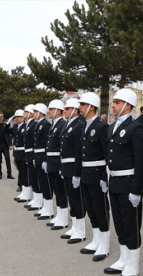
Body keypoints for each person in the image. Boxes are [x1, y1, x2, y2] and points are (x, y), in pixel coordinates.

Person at [103, 88, 143, 276]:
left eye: (117, 103)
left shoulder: (136, 128)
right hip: (115, 181)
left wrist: (137, 189)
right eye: (113, 103)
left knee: (131, 225)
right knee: (120, 223)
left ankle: (133, 264)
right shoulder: (112, 127)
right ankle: (123, 258)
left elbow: (141, 161)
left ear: (128, 106)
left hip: (129, 183)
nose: (113, 106)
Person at [77, 92, 110, 261]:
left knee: (100, 209)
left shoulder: (101, 127)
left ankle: (104, 245)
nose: (80, 107)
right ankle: (96, 240)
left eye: (83, 105)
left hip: (97, 175)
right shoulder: (85, 125)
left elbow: (107, 155)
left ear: (91, 106)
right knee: (91, 209)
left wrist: (105, 177)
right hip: (86, 174)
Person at [59, 98, 86, 243]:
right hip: (66, 167)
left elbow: (78, 152)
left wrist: (77, 173)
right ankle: (75, 227)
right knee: (72, 198)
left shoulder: (78, 126)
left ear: (75, 111)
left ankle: (81, 231)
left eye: (68, 109)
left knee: (77, 199)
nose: (65, 111)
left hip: (73, 167)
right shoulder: (69, 125)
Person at [44, 100, 69, 230]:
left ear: (58, 111)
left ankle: (64, 219)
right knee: (56, 190)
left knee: (61, 192)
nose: (49, 112)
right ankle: (59, 216)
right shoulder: (55, 125)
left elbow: (62, 147)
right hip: (52, 162)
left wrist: (61, 165)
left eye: (51, 109)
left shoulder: (62, 125)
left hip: (58, 162)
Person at [32, 103, 53, 219]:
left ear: (40, 112)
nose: (33, 114)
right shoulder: (38, 124)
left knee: (46, 183)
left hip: (42, 156)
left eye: (35, 111)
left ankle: (49, 208)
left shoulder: (45, 124)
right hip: (38, 156)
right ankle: (45, 206)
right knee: (42, 182)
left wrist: (45, 159)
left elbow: (46, 144)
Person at [7, 109, 26, 194]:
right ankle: (21, 184)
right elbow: (6, 131)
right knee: (19, 168)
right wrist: (9, 121)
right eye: (16, 117)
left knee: (23, 169)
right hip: (16, 152)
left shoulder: (26, 126)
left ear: (23, 117)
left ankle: (22, 185)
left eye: (19, 117)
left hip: (23, 151)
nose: (17, 118)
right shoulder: (15, 126)